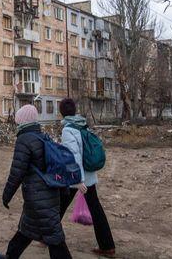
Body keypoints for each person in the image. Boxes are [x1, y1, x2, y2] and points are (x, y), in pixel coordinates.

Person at [0, 104, 72, 259]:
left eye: (18, 120)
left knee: (54, 237)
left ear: (23, 121)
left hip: (38, 197)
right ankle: (10, 256)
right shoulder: (42, 137)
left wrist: (6, 195)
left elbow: (16, 172)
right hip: (48, 193)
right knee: (26, 228)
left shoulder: (24, 140)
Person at [59, 98, 116, 258]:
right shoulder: (82, 124)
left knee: (59, 205)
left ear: (62, 112)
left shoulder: (68, 130)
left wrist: (78, 181)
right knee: (95, 208)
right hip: (88, 176)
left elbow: (74, 156)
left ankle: (46, 234)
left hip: (76, 178)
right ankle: (107, 245)